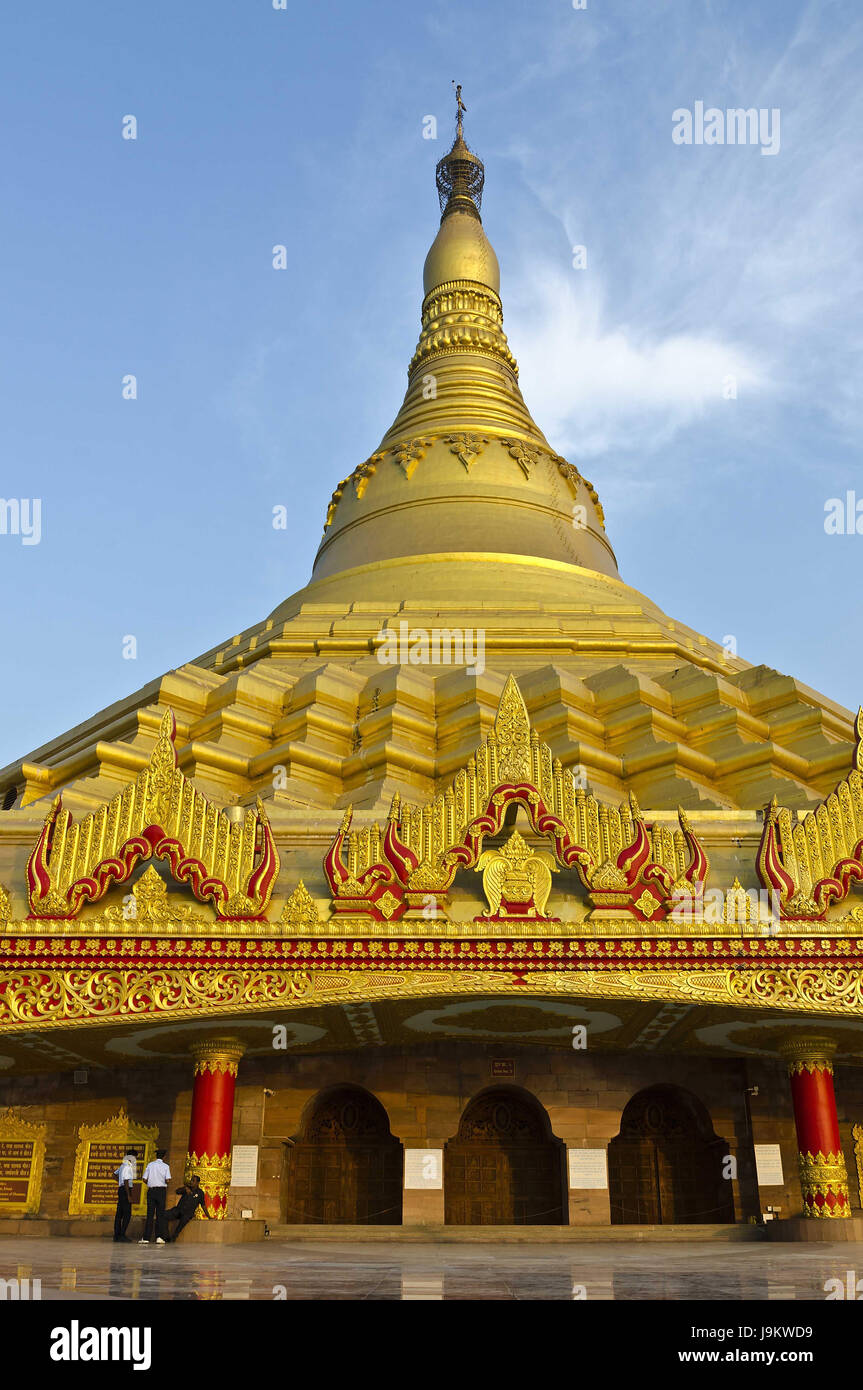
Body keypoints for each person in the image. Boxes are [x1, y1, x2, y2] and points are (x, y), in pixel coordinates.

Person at [139, 1148, 171, 1245]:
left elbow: (144, 1179)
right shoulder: (166, 1166)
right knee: (160, 1215)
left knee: (150, 1214)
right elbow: (168, 1180)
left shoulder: (150, 1165)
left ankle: (146, 1238)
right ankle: (159, 1237)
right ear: (164, 1157)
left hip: (151, 1191)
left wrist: (151, 1182)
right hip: (161, 1191)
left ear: (156, 1156)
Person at [166, 1174, 212, 1241]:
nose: (191, 1182)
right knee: (164, 1215)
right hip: (178, 1210)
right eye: (191, 1180)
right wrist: (185, 1188)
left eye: (193, 1181)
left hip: (188, 1213)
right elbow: (177, 1191)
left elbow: (203, 1205)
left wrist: (209, 1216)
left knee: (184, 1220)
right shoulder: (186, 1188)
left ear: (197, 1183)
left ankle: (174, 1237)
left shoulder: (200, 1193)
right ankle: (164, 1235)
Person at [112, 1149, 137, 1242]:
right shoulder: (128, 1167)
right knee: (127, 1214)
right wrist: (129, 1196)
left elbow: (113, 1175)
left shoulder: (122, 1166)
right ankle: (122, 1235)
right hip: (126, 1190)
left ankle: (116, 1235)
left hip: (121, 1189)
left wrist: (119, 1182)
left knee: (119, 1214)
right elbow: (126, 1181)